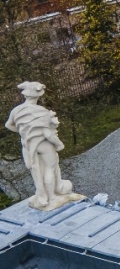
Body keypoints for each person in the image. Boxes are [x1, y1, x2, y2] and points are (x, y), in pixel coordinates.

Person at [4, 81, 82, 211]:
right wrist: (59, 144)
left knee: (36, 170)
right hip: (44, 144)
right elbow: (48, 134)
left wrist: (25, 132)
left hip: (28, 145)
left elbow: (9, 125)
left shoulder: (16, 111)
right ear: (38, 95)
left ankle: (42, 196)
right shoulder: (42, 111)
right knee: (49, 169)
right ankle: (51, 197)